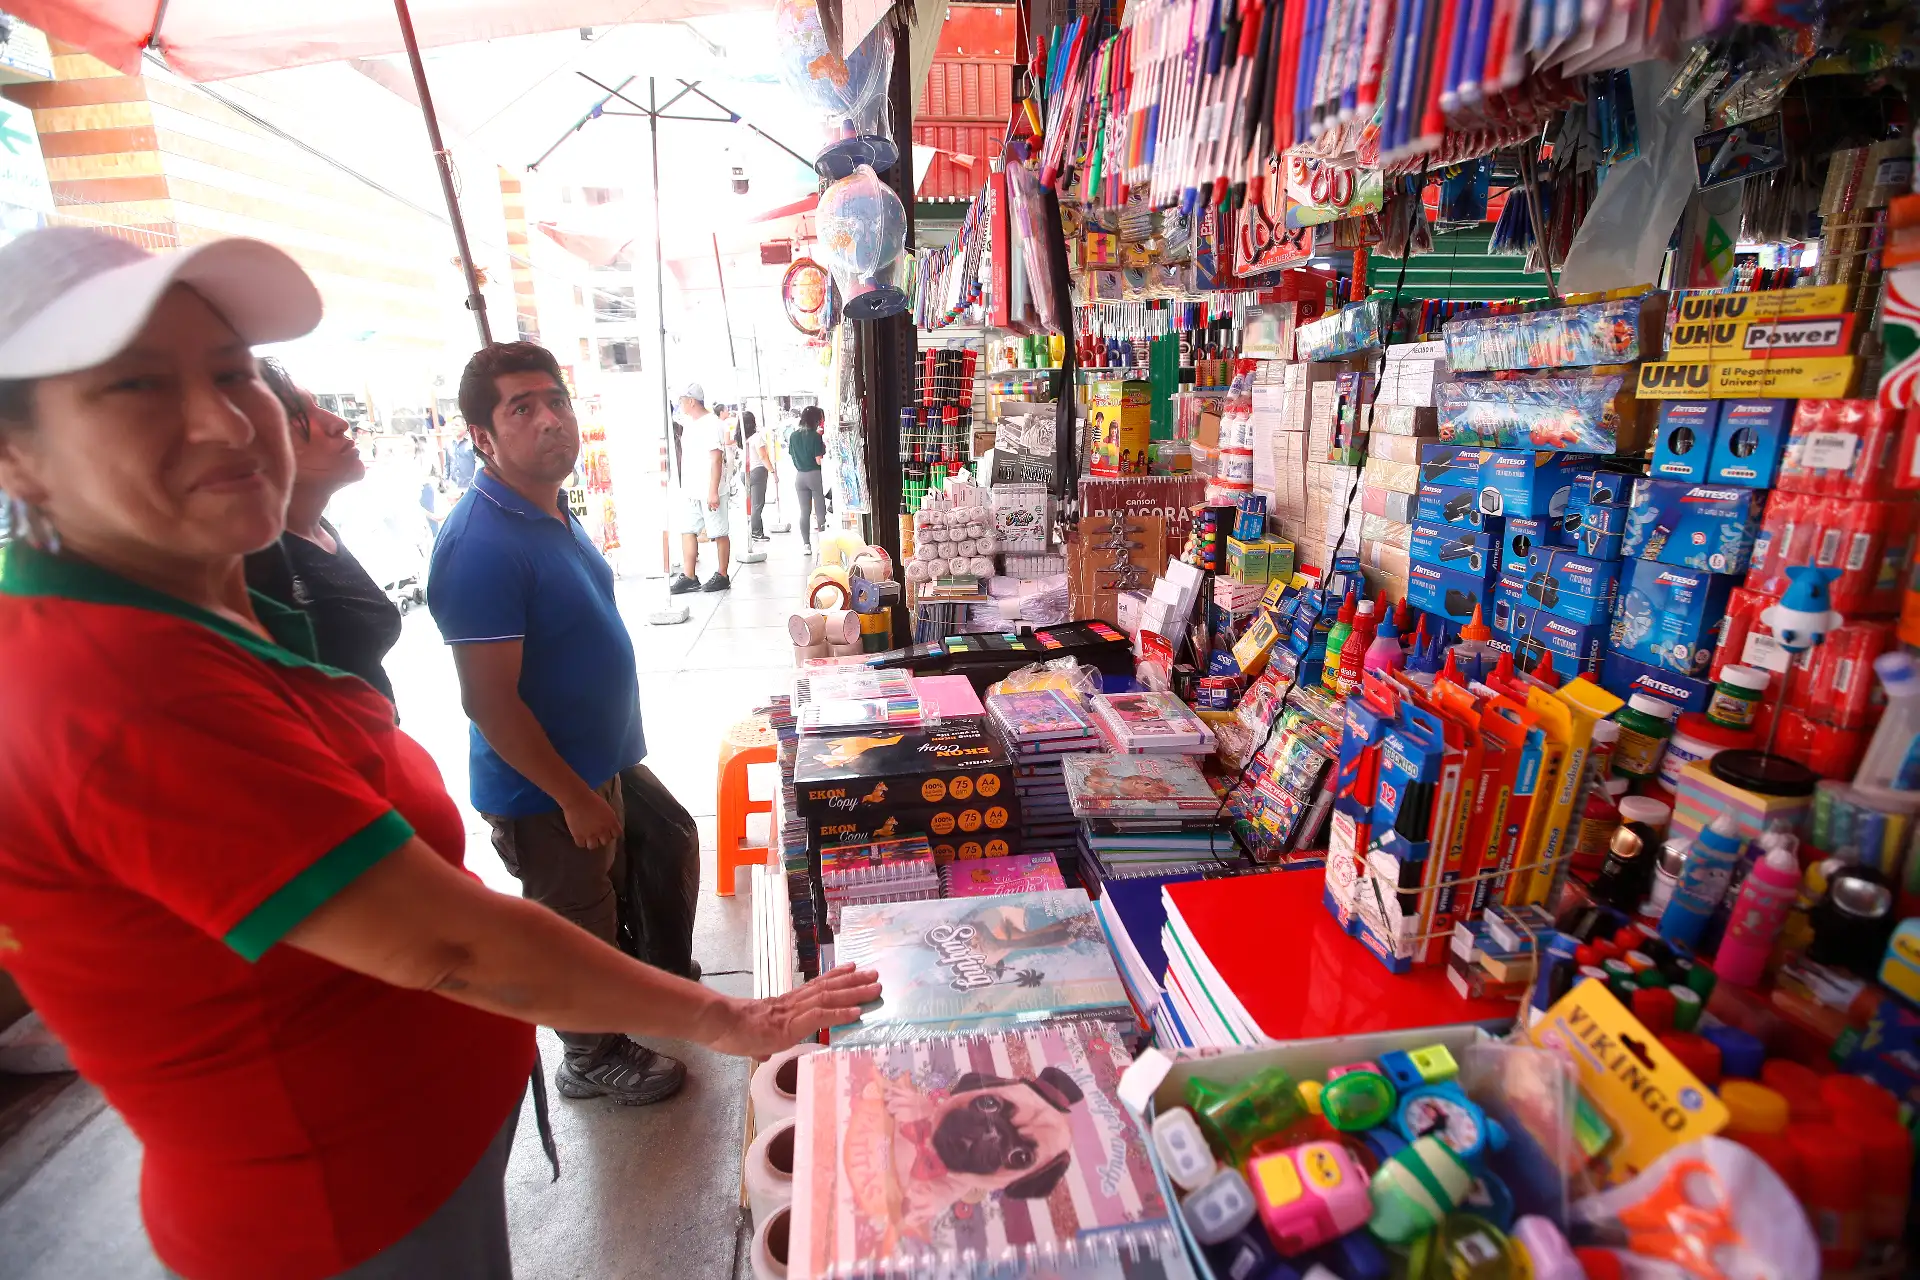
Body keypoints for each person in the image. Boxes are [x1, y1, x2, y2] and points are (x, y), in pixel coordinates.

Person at [0, 227, 878, 1280]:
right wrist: (734, 1017)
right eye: (137, 385)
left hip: (409, 1162)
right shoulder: (115, 690)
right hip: (337, 1204)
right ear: (19, 455)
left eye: (234, 372)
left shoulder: (190, 612)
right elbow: (448, 942)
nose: (225, 419)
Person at [429, 341, 712, 1107]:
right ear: (482, 437)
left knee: (666, 842)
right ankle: (591, 1055)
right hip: (541, 786)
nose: (550, 418)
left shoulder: (549, 506)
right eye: (522, 407)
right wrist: (570, 796)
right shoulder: (478, 546)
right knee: (577, 920)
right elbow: (488, 701)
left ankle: (644, 982)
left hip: (601, 758)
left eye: (555, 399)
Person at [243, 358, 404, 702]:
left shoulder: (319, 529)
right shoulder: (259, 570)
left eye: (318, 407)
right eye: (299, 415)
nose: (339, 422)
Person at [670, 383, 730, 593]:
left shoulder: (712, 424)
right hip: (691, 489)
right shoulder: (689, 423)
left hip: (709, 489)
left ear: (691, 401)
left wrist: (712, 490)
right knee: (687, 530)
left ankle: (722, 574)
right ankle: (689, 575)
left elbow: (716, 458)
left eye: (682, 400)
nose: (680, 404)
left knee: (719, 532)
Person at [790, 404, 828, 551]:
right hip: (814, 474)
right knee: (820, 509)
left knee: (804, 511)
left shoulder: (793, 435)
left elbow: (792, 456)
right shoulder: (815, 436)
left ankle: (806, 544)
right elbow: (818, 459)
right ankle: (824, 544)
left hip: (799, 477)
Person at [741, 410, 771, 543]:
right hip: (757, 471)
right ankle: (756, 532)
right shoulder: (757, 437)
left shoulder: (741, 438)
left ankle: (754, 530)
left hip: (744, 472)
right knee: (757, 504)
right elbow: (763, 456)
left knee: (752, 503)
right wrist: (772, 471)